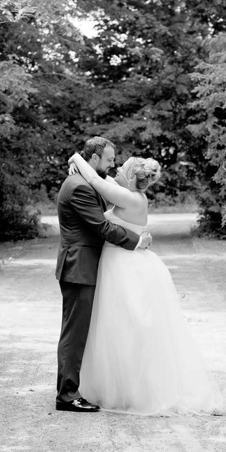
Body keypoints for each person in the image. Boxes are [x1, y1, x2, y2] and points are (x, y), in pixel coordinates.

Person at [67, 152, 225, 416]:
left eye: (122, 167)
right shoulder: (130, 193)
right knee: (118, 329)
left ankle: (137, 391)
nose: (117, 169)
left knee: (129, 329)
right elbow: (102, 177)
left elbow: (95, 177)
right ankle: (125, 387)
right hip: (122, 263)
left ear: (130, 177)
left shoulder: (128, 197)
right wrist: (81, 164)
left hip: (123, 267)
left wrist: (75, 156)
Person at [54, 136, 151, 413]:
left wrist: (75, 160)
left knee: (79, 331)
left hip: (84, 266)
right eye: (109, 160)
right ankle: (67, 396)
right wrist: (137, 241)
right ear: (94, 159)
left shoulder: (85, 181)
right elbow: (103, 228)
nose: (112, 165)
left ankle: (71, 389)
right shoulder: (80, 187)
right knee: (75, 333)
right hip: (79, 267)